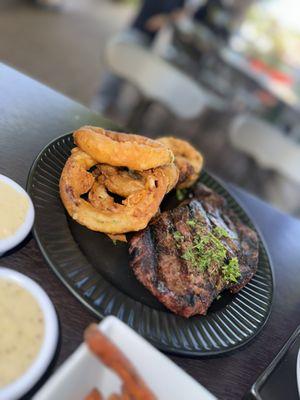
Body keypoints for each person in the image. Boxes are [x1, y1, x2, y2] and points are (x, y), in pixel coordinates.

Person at [91, 0, 186, 114]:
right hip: (135, 33)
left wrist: (168, 17)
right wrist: (169, 17)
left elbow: (178, 14)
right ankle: (102, 102)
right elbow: (158, 20)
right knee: (117, 69)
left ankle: (110, 101)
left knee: (125, 71)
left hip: (146, 39)